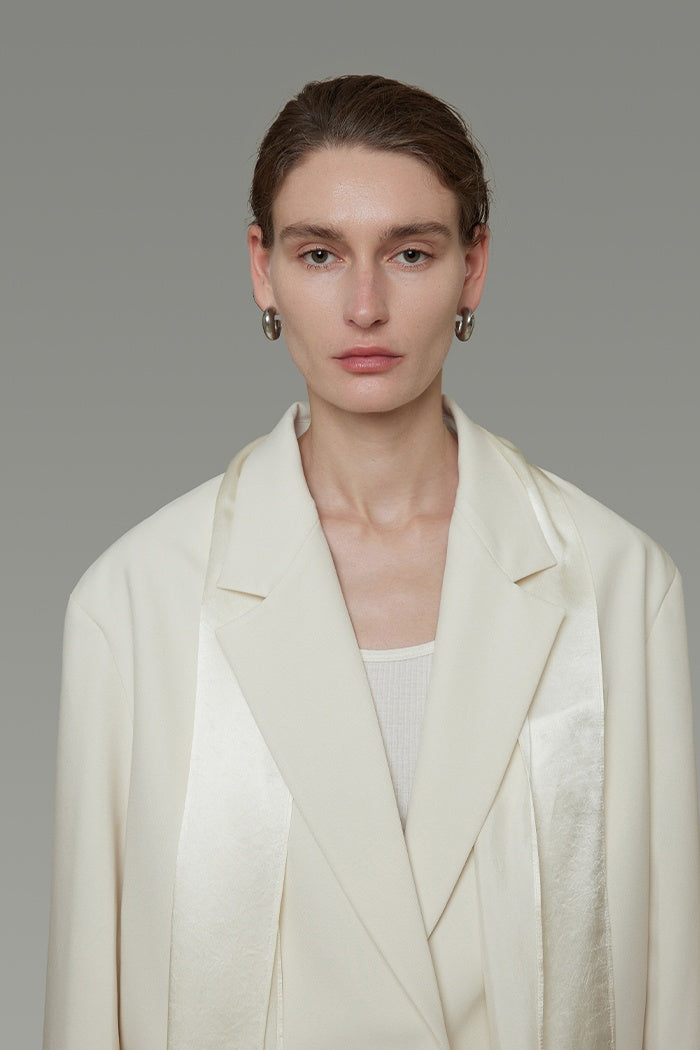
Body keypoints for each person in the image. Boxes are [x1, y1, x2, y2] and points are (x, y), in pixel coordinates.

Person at [44, 74, 700, 1050]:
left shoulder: (617, 587)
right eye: (319, 253)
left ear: (473, 267)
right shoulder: (134, 605)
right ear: (262, 269)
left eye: (410, 252)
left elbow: (675, 993)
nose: (364, 306)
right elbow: (88, 1005)